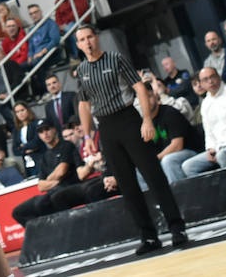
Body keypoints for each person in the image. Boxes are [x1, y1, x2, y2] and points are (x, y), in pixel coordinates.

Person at [74, 25, 189, 254]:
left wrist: (146, 119)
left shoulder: (116, 58)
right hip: (105, 127)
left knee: (153, 175)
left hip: (128, 119)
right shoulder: (82, 70)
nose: (87, 42)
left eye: (90, 37)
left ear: (97, 38)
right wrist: (87, 136)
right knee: (127, 185)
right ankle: (148, 237)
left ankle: (177, 228)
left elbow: (139, 87)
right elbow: (84, 104)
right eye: (82, 39)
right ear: (78, 45)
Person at [177, 68, 226, 178]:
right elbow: (208, 131)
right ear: (201, 84)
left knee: (221, 156)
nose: (210, 81)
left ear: (219, 77)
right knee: (189, 166)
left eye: (213, 77)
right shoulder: (206, 103)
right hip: (216, 147)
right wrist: (210, 148)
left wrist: (221, 147)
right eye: (205, 79)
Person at [9, 120, 81, 225]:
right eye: (41, 132)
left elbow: (61, 171)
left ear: (54, 129)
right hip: (54, 191)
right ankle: (39, 235)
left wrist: (49, 180)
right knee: (18, 212)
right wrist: (55, 180)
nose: (45, 134)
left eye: (47, 129)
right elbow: (41, 186)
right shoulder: (44, 156)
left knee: (44, 203)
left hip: (68, 188)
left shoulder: (66, 145)